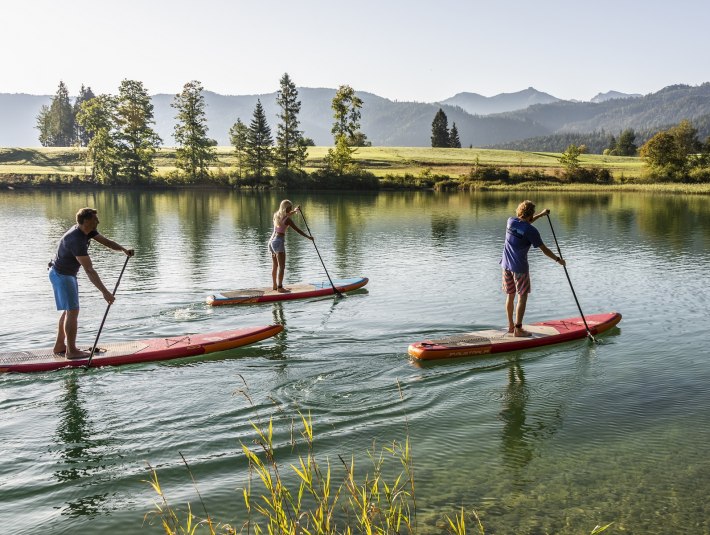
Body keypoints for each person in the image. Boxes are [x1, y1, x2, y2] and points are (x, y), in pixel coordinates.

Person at [49, 207, 134, 359]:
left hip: (62, 274)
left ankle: (60, 346)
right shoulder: (76, 239)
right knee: (73, 311)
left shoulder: (87, 231)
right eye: (95, 219)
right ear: (86, 221)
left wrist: (123, 249)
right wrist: (105, 292)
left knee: (69, 311)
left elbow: (107, 242)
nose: (98, 221)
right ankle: (71, 351)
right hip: (62, 275)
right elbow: (89, 270)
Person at [500, 200, 566, 337]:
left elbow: (525, 225)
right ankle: (518, 330)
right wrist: (558, 260)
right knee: (522, 297)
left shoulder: (510, 221)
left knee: (510, 296)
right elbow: (544, 250)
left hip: (505, 265)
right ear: (531, 215)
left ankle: (511, 326)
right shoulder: (531, 231)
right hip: (519, 268)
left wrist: (541, 215)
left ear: (519, 211)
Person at [268, 199, 313, 292]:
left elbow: (287, 215)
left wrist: (295, 211)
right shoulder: (287, 219)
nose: (291, 209)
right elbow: (297, 230)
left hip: (271, 242)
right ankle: (280, 288)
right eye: (290, 208)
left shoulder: (276, 215)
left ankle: (275, 286)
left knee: (275, 266)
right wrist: (308, 237)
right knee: (282, 266)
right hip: (279, 242)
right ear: (286, 208)